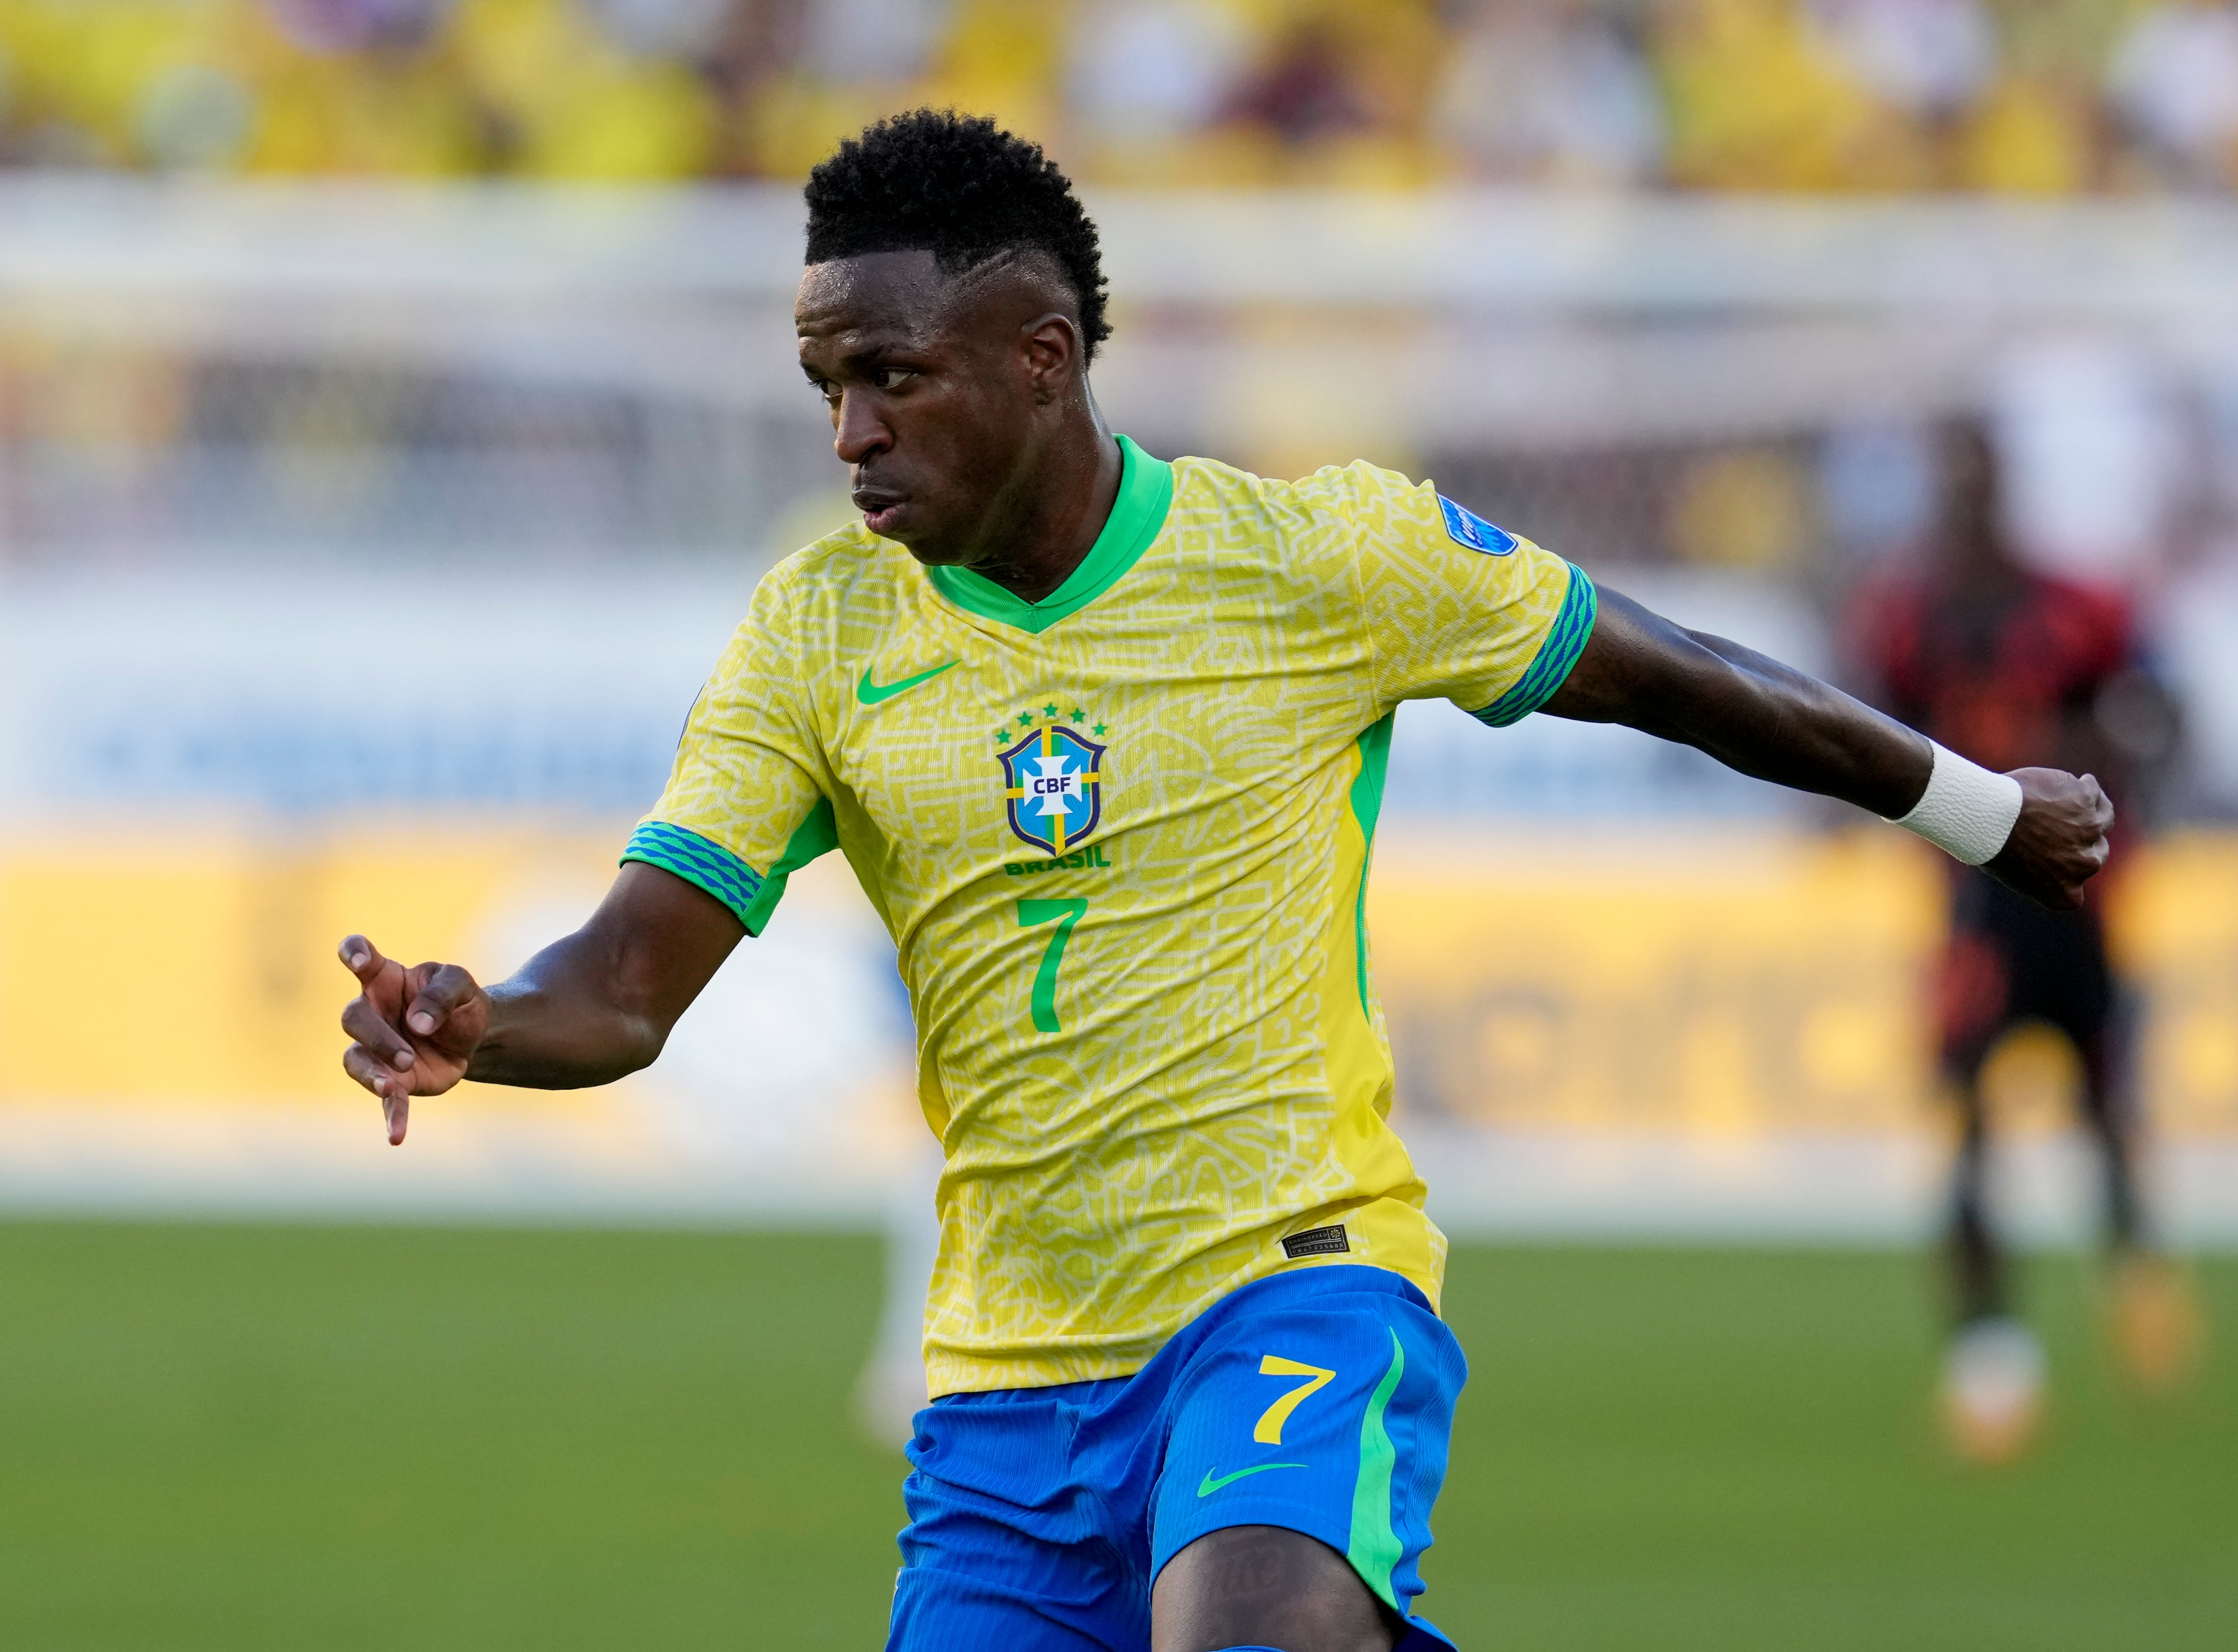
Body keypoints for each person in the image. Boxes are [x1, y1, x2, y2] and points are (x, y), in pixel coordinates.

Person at [336, 112, 2111, 1652]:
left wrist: (1974, 807)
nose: (851, 430)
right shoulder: (817, 634)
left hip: (1293, 1285)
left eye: (891, 374)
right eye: (827, 385)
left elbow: (1676, 672)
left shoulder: (1316, 560)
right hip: (1007, 1379)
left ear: (1043, 356)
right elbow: (631, 983)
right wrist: (481, 1022)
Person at [1852, 418, 2195, 1466]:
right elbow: (1871, 725)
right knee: (1965, 1121)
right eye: (1948, 483)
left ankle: (2136, 1272)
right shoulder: (1908, 618)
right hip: (1973, 913)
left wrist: (2111, 775)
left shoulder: (2078, 609)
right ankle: (1991, 1363)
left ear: (2004, 488)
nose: (1962, 502)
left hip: (2078, 899)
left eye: (1976, 480)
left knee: (2101, 1104)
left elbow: (2165, 711)